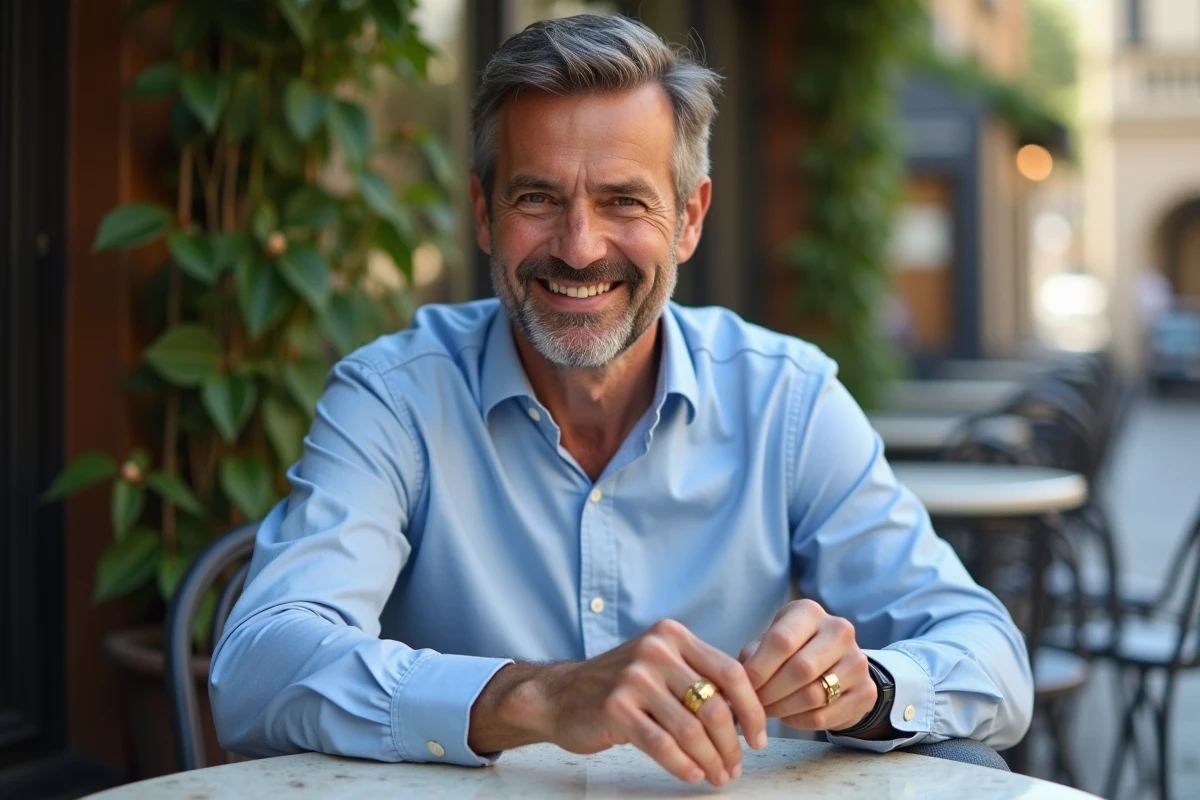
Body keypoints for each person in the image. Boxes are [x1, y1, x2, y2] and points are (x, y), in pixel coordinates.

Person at [209, 14, 1032, 788]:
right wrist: (538, 698)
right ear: (483, 215)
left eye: (623, 201)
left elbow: (989, 654)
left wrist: (871, 686)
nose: (579, 246)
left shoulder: (788, 398)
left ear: (689, 219)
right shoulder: (393, 398)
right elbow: (257, 667)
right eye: (537, 198)